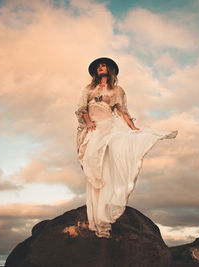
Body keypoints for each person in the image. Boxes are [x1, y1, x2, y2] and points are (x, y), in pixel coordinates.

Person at [75, 57, 178, 238]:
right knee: (92, 159)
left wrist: (133, 128)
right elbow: (82, 109)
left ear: (110, 69)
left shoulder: (117, 90)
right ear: (95, 72)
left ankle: (105, 211)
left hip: (110, 125)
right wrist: (89, 122)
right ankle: (96, 209)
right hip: (94, 127)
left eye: (103, 65)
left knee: (109, 160)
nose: (100, 67)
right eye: (98, 66)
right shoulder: (88, 89)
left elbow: (122, 111)